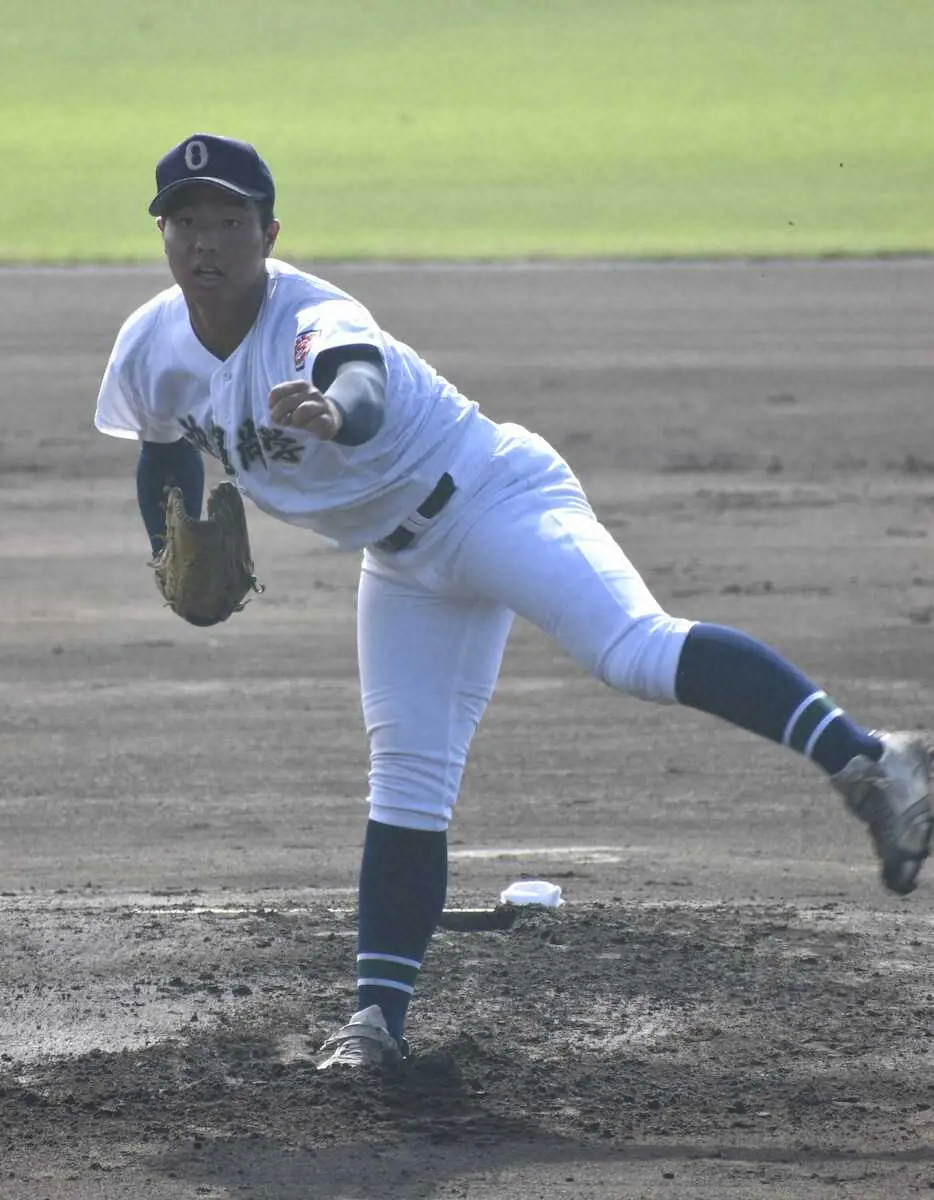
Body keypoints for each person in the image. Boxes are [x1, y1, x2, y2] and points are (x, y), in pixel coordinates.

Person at [94, 133, 932, 1071]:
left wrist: (338, 412)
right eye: (186, 222)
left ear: (268, 230)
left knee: (635, 649)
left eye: (229, 221)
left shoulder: (312, 313)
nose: (206, 241)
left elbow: (356, 376)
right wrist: (162, 544)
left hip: (495, 498)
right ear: (162, 232)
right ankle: (377, 1022)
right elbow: (160, 444)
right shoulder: (150, 343)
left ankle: (874, 764)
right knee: (406, 778)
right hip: (402, 565)